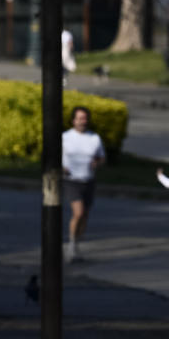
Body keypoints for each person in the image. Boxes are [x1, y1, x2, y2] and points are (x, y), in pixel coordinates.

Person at [62, 106, 106, 262]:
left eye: (85, 118)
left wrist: (97, 163)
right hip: (71, 179)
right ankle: (71, 244)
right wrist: (62, 167)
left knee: (85, 215)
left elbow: (101, 157)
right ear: (73, 120)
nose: (82, 121)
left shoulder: (94, 138)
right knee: (78, 213)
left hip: (88, 179)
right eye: (79, 118)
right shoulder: (65, 137)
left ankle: (77, 243)